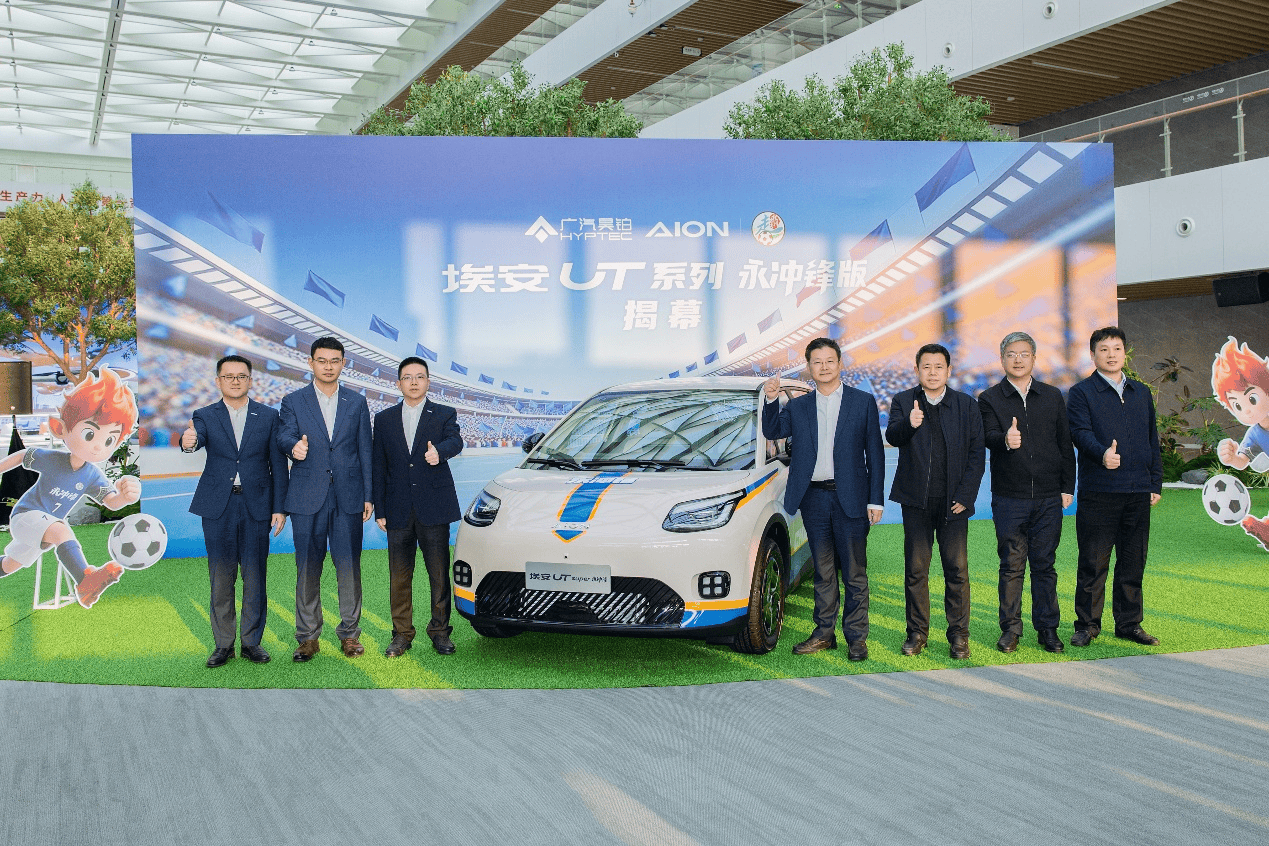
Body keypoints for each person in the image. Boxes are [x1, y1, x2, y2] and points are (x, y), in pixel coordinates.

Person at [761, 337, 884, 660]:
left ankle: (856, 638)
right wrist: (771, 399)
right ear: (809, 367)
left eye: (830, 360)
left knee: (854, 574)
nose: (824, 366)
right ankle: (824, 634)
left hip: (852, 499)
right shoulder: (798, 406)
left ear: (840, 364)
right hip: (814, 499)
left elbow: (875, 453)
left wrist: (876, 500)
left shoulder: (862, 402)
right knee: (824, 571)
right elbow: (772, 431)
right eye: (817, 362)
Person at [0, 366, 139, 608]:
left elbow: (111, 502)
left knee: (10, 564)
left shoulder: (92, 474)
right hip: (25, 517)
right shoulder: (54, 459)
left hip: (46, 527)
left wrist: (126, 497)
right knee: (61, 529)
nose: (98, 446)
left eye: (109, 439)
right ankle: (85, 582)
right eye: (89, 434)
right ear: (61, 428)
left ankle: (85, 583)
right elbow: (23, 455)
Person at [182, 355, 289, 668]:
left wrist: (280, 507)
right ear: (218, 381)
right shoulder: (204, 415)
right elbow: (195, 439)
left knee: (255, 577)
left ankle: (251, 642)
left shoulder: (268, 415)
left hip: (257, 505)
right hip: (219, 506)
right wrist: (188, 442)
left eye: (241, 376)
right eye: (228, 376)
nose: (235, 381)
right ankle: (223, 644)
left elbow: (278, 463)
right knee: (221, 577)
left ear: (250, 381)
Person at [977, 332, 1075, 655]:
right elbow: (987, 436)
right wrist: (1005, 440)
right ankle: (1010, 629)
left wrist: (1067, 487)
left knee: (1045, 565)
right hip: (1009, 497)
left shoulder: (1052, 396)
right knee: (1011, 565)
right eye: (1011, 354)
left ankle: (1048, 629)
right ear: (1002, 359)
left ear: (1034, 357)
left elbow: (1064, 444)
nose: (1017, 359)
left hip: (1048, 496)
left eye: (1023, 353)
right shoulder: (989, 398)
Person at [886, 343, 985, 659]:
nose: (932, 372)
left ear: (949, 370)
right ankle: (917, 633)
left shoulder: (966, 405)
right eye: (926, 367)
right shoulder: (904, 401)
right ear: (917, 370)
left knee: (957, 569)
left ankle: (959, 636)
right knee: (916, 570)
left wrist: (966, 495)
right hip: (916, 501)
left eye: (938, 366)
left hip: (954, 503)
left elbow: (976, 454)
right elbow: (893, 436)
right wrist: (910, 423)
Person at [277, 337, 373, 662]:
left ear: (343, 363)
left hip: (348, 497)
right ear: (310, 363)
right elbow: (284, 434)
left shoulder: (356, 402)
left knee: (349, 568)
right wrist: (293, 447)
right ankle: (307, 637)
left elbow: (365, 449)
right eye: (322, 360)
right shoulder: (293, 401)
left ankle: (350, 635)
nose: (328, 366)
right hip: (306, 496)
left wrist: (368, 495)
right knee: (307, 568)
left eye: (334, 360)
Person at [1066, 326, 1162, 647]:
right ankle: (1087, 625)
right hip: (1100, 491)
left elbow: (1152, 439)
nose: (1111, 355)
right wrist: (1102, 454)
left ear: (1124, 353)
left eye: (1117, 348)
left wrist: (1155, 482)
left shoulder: (1140, 392)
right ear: (1093, 355)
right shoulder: (1081, 393)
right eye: (1104, 349)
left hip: (1138, 491)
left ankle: (1129, 624)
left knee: (1133, 562)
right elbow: (1079, 433)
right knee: (1093, 563)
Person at [372, 357, 463, 657]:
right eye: (407, 377)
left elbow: (456, 441)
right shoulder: (384, 419)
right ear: (398, 383)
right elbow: (378, 465)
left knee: (438, 575)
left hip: (433, 508)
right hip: (397, 509)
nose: (413, 382)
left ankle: (440, 631)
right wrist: (380, 508)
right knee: (399, 577)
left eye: (419, 376)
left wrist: (441, 452)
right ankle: (401, 634)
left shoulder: (444, 413)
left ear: (428, 381)